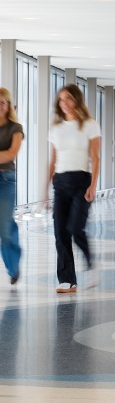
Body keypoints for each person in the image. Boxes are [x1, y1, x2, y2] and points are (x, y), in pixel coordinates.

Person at [48, 84, 101, 293]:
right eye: (61, 100)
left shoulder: (90, 125)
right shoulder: (55, 128)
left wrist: (93, 186)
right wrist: (45, 189)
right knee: (60, 232)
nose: (64, 103)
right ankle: (67, 280)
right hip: (60, 182)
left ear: (77, 100)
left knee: (75, 228)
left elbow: (95, 158)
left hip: (82, 181)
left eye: (68, 98)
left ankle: (91, 264)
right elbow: (52, 160)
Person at [0, 88, 24, 286]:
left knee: (5, 229)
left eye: (2, 102)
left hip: (6, 179)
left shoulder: (16, 128)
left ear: (8, 106)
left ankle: (13, 267)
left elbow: (11, 154)